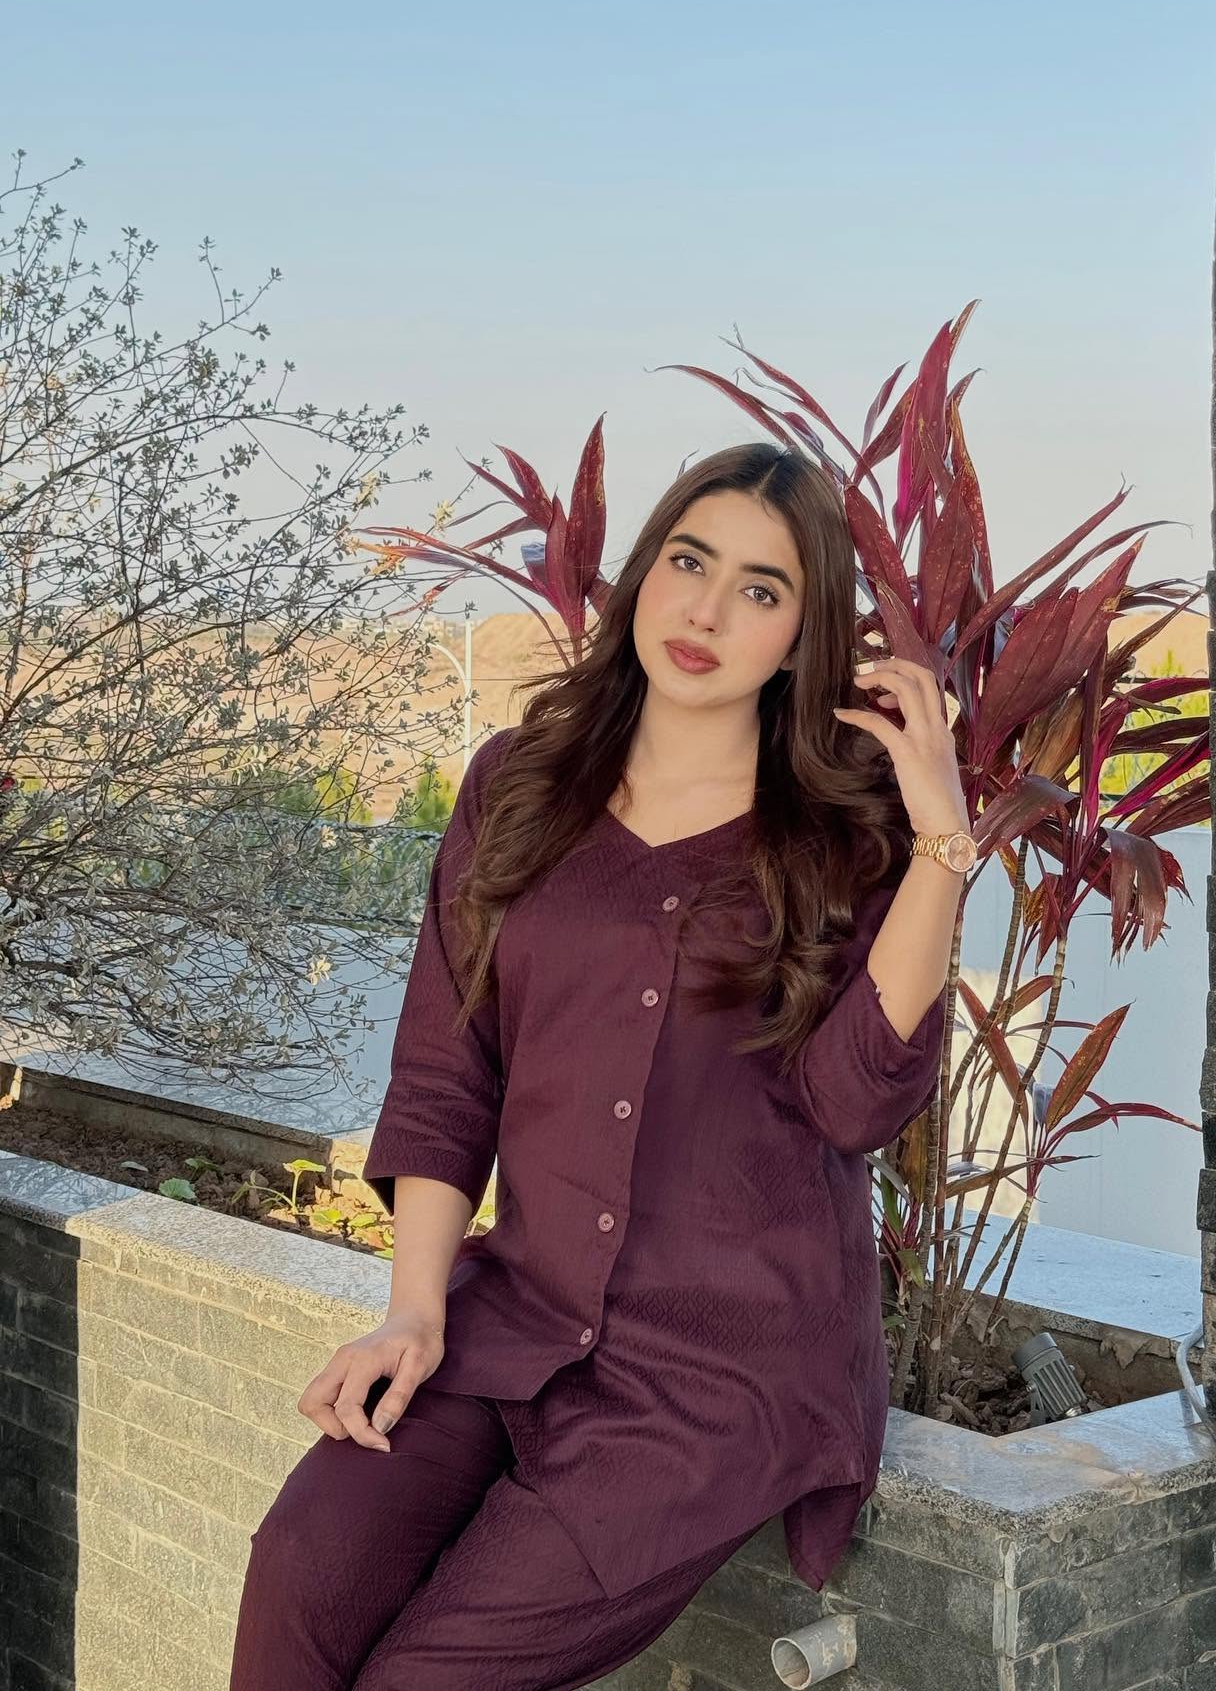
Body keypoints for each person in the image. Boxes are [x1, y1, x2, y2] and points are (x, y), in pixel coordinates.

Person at [228, 442, 974, 1690]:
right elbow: (447, 1070)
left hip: (718, 1374)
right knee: (301, 1572)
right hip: (515, 1316)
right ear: (642, 576)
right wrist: (415, 1309)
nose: (706, 612)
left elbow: (856, 1104)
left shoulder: (848, 831)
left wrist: (941, 839)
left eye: (760, 589)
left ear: (800, 637)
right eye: (689, 562)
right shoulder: (518, 786)